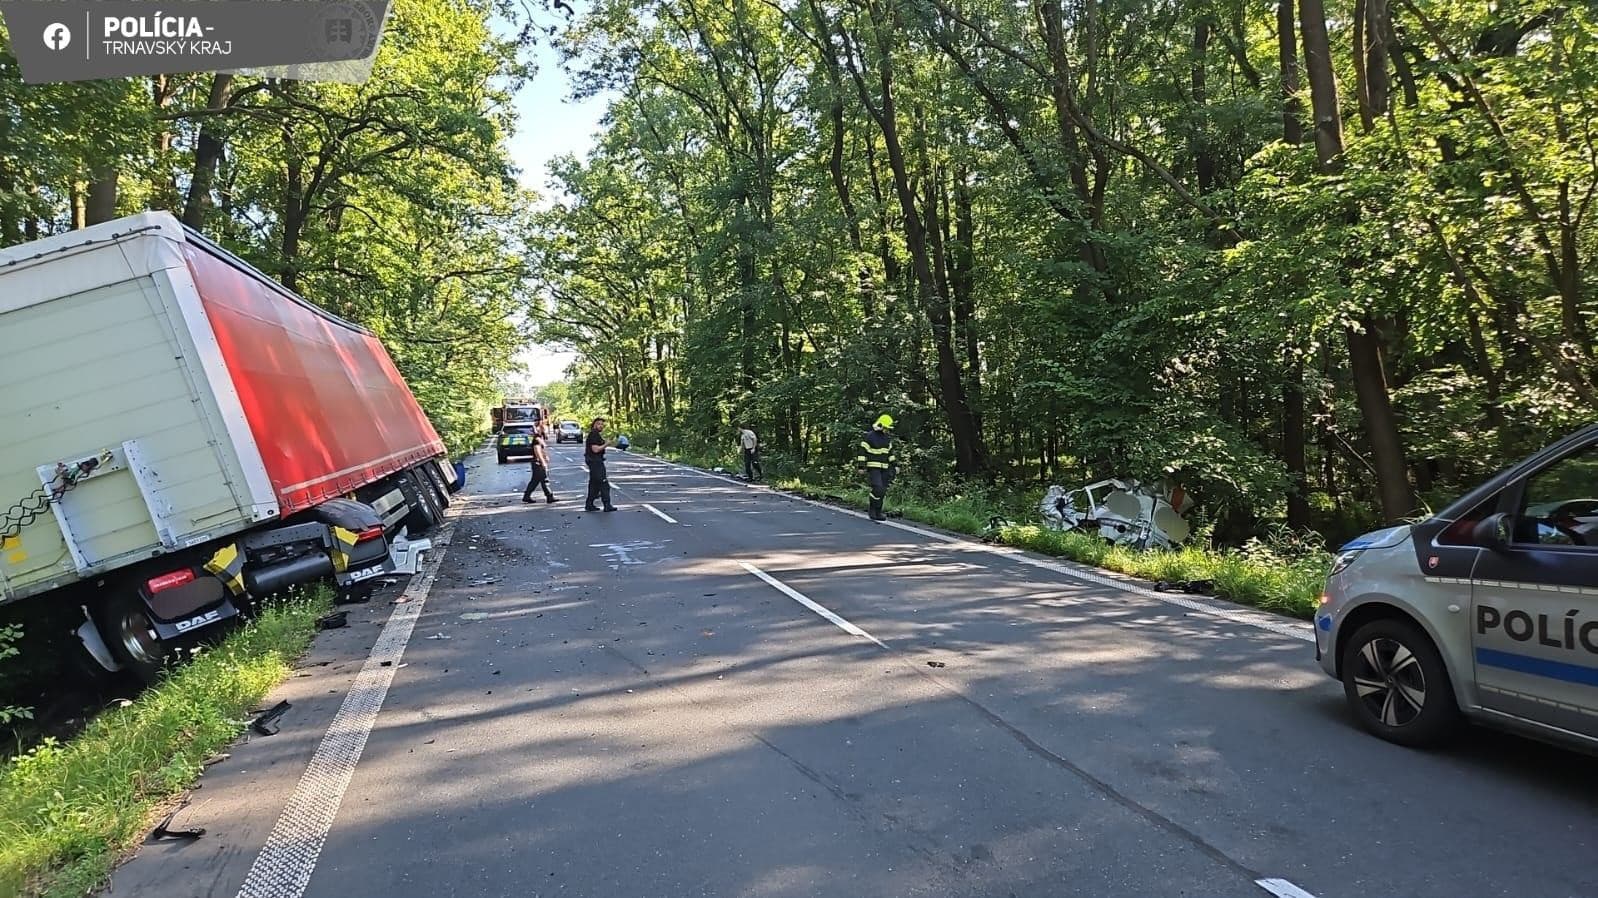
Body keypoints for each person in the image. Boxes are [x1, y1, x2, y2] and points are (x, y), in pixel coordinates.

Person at [855, 414, 897, 521]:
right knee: (877, 488)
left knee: (882, 490)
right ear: (881, 425)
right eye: (886, 428)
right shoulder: (869, 436)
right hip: (873, 468)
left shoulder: (887, 439)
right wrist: (861, 466)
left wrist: (895, 465)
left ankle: (878, 512)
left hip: (885, 468)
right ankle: (872, 510)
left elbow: (890, 454)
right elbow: (862, 452)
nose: (887, 430)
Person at [584, 416, 618, 512]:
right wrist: (606, 444)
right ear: (594, 424)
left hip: (594, 461)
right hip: (595, 461)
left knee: (594, 484)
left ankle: (589, 504)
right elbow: (595, 449)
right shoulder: (594, 435)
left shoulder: (595, 434)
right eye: (599, 424)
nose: (601, 426)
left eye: (602, 424)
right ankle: (607, 505)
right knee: (603, 483)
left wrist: (611, 443)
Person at [522, 424, 558, 504]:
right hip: (538, 463)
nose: (545, 430)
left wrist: (546, 456)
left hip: (537, 462)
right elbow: (537, 451)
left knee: (535, 481)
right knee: (544, 480)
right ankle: (549, 496)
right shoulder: (537, 439)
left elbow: (542, 450)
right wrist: (543, 462)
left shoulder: (540, 439)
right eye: (543, 429)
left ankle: (526, 496)